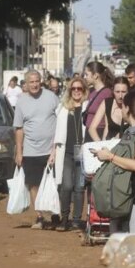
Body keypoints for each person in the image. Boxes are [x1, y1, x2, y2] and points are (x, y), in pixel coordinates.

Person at [93, 89, 135, 234]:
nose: (120, 109)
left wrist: (110, 156)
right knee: (118, 238)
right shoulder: (129, 131)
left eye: (122, 106)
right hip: (123, 192)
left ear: (127, 108)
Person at [13, 70, 58, 229]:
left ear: (41, 81)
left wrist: (56, 147)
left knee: (54, 184)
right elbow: (19, 128)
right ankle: (39, 216)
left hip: (51, 150)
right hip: (30, 150)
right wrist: (19, 151)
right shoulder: (21, 102)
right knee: (34, 185)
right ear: (26, 84)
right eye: (31, 82)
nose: (34, 84)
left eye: (37, 81)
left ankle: (55, 214)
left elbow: (60, 120)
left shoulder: (51, 97)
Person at [51, 78, 88, 232]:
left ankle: (76, 220)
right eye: (73, 89)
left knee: (79, 187)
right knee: (66, 186)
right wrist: (52, 151)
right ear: (69, 90)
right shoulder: (63, 108)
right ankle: (64, 217)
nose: (76, 91)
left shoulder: (88, 107)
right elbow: (56, 132)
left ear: (84, 90)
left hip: (83, 153)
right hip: (65, 152)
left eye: (79, 88)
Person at [88, 76, 129, 141]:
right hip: (109, 145)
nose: (120, 96)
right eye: (117, 92)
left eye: (123, 92)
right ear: (113, 91)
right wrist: (100, 144)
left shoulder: (132, 105)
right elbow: (92, 128)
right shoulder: (107, 103)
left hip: (126, 146)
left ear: (128, 91)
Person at [82, 61, 114, 142]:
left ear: (95, 75)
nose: (85, 77)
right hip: (89, 132)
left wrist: (99, 143)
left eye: (87, 74)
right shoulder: (92, 92)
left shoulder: (107, 93)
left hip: (98, 132)